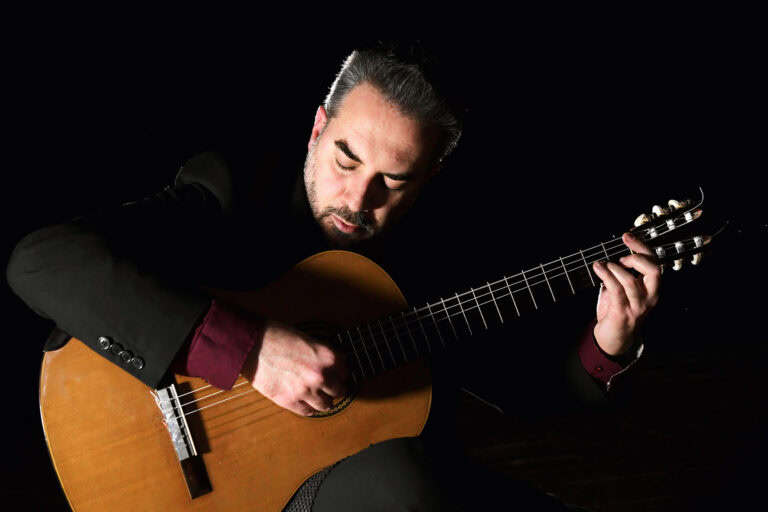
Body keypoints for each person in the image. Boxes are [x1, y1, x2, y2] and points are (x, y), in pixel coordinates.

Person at [6, 42, 659, 511]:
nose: (358, 198)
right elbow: (42, 260)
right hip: (211, 484)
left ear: (428, 177)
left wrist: (608, 343)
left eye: (392, 181)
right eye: (346, 159)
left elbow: (526, 391)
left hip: (343, 485)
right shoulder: (235, 192)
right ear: (319, 128)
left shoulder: (436, 256)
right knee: (412, 482)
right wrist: (251, 350)